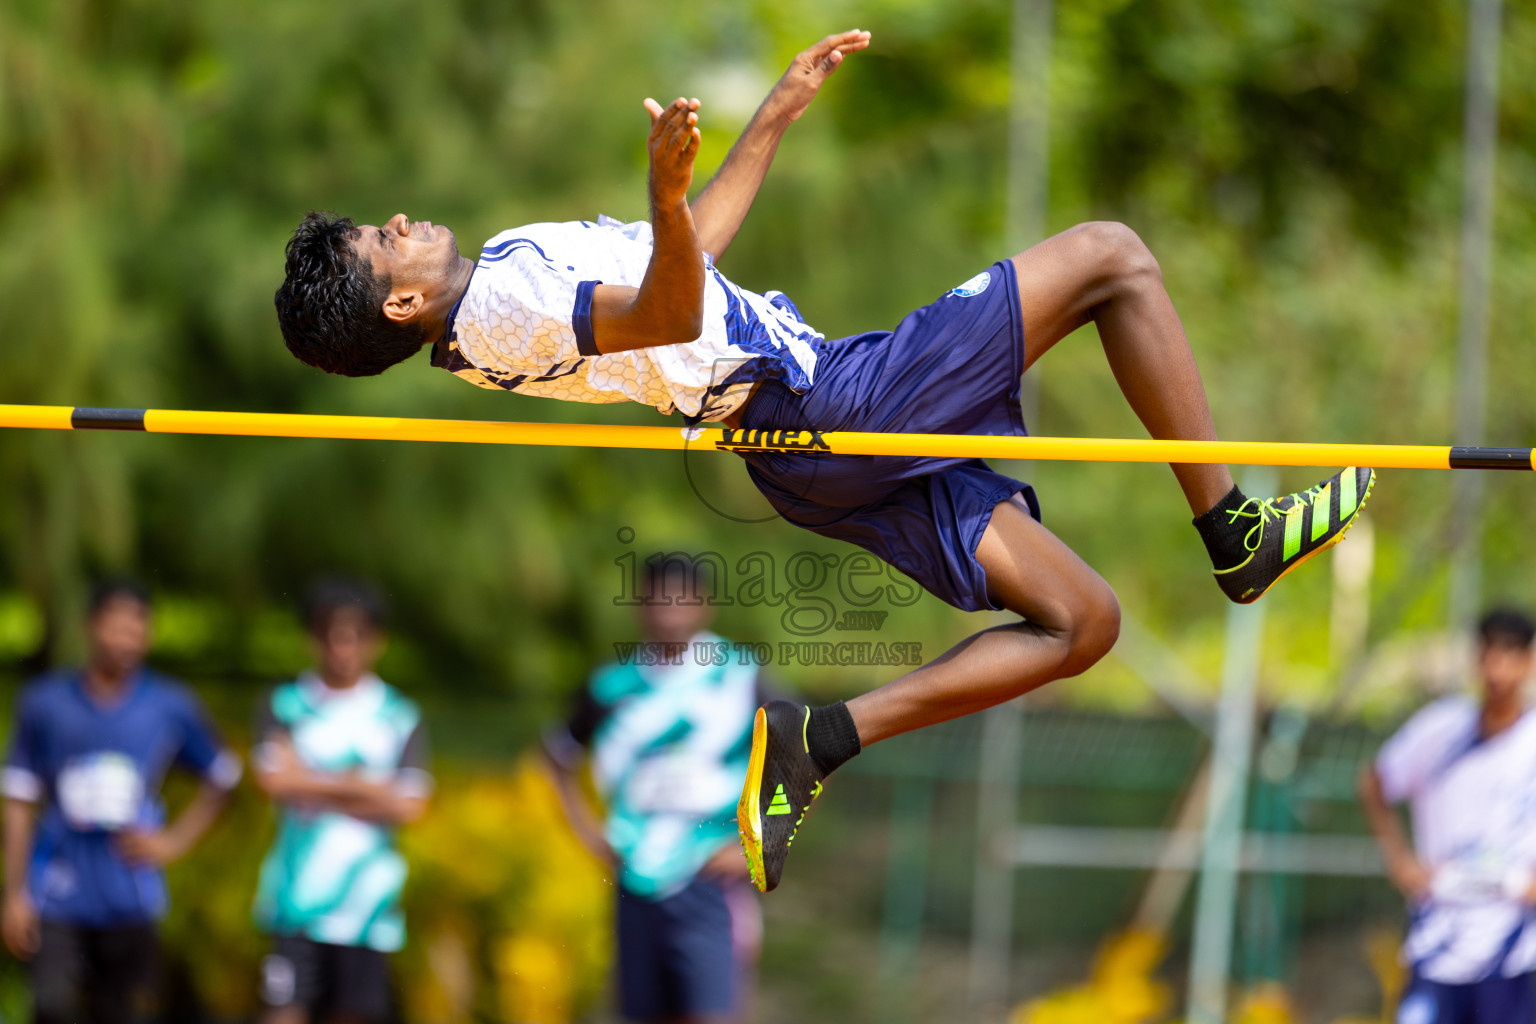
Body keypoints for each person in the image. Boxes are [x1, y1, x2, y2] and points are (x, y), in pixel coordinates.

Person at [272, 29, 1375, 890]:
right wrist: (659, 191)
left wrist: (770, 123)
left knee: (1081, 621)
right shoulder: (501, 304)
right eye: (384, 238)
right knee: (1113, 258)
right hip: (824, 406)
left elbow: (689, 265)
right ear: (402, 300)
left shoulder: (496, 293)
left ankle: (820, 739)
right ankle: (1233, 531)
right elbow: (667, 310)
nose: (402, 219)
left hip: (801, 442)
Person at [0, 578, 241, 1024]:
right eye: (116, 627)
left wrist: (173, 842)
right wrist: (13, 893)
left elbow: (223, 777)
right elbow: (18, 798)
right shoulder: (46, 703)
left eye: (137, 628)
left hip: (130, 893)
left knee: (122, 1010)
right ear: (91, 627)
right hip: (58, 891)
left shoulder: (169, 705)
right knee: (53, 1006)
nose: (126, 640)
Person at [544, 559, 764, 1024]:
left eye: (680, 599)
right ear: (640, 607)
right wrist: (586, 831)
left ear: (704, 606)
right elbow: (555, 755)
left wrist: (765, 841)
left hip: (710, 878)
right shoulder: (611, 685)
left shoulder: (741, 677)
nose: (669, 612)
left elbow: (809, 752)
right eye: (657, 600)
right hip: (635, 878)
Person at [251, 578, 432, 1024]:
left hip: (366, 904)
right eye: (331, 633)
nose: (343, 647)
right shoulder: (285, 704)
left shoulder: (398, 714)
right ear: (313, 637)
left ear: (377, 642)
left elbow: (409, 805)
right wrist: (365, 784)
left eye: (355, 636)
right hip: (295, 901)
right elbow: (273, 782)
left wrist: (309, 780)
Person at [1360, 608, 1536, 1024]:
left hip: (1511, 949)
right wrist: (1400, 862)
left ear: (1528, 661)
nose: (1497, 670)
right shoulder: (1441, 729)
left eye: (1509, 655)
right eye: (1489, 654)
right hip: (1438, 939)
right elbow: (1375, 781)